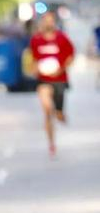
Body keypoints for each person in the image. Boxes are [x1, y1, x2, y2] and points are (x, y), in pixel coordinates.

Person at [29, 11, 75, 156]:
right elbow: (33, 59)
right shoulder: (36, 40)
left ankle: (60, 114)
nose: (48, 23)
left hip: (60, 80)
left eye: (51, 20)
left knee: (58, 114)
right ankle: (51, 143)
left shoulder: (62, 38)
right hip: (44, 80)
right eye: (46, 20)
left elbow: (70, 56)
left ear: (54, 22)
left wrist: (60, 70)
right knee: (47, 110)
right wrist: (34, 68)